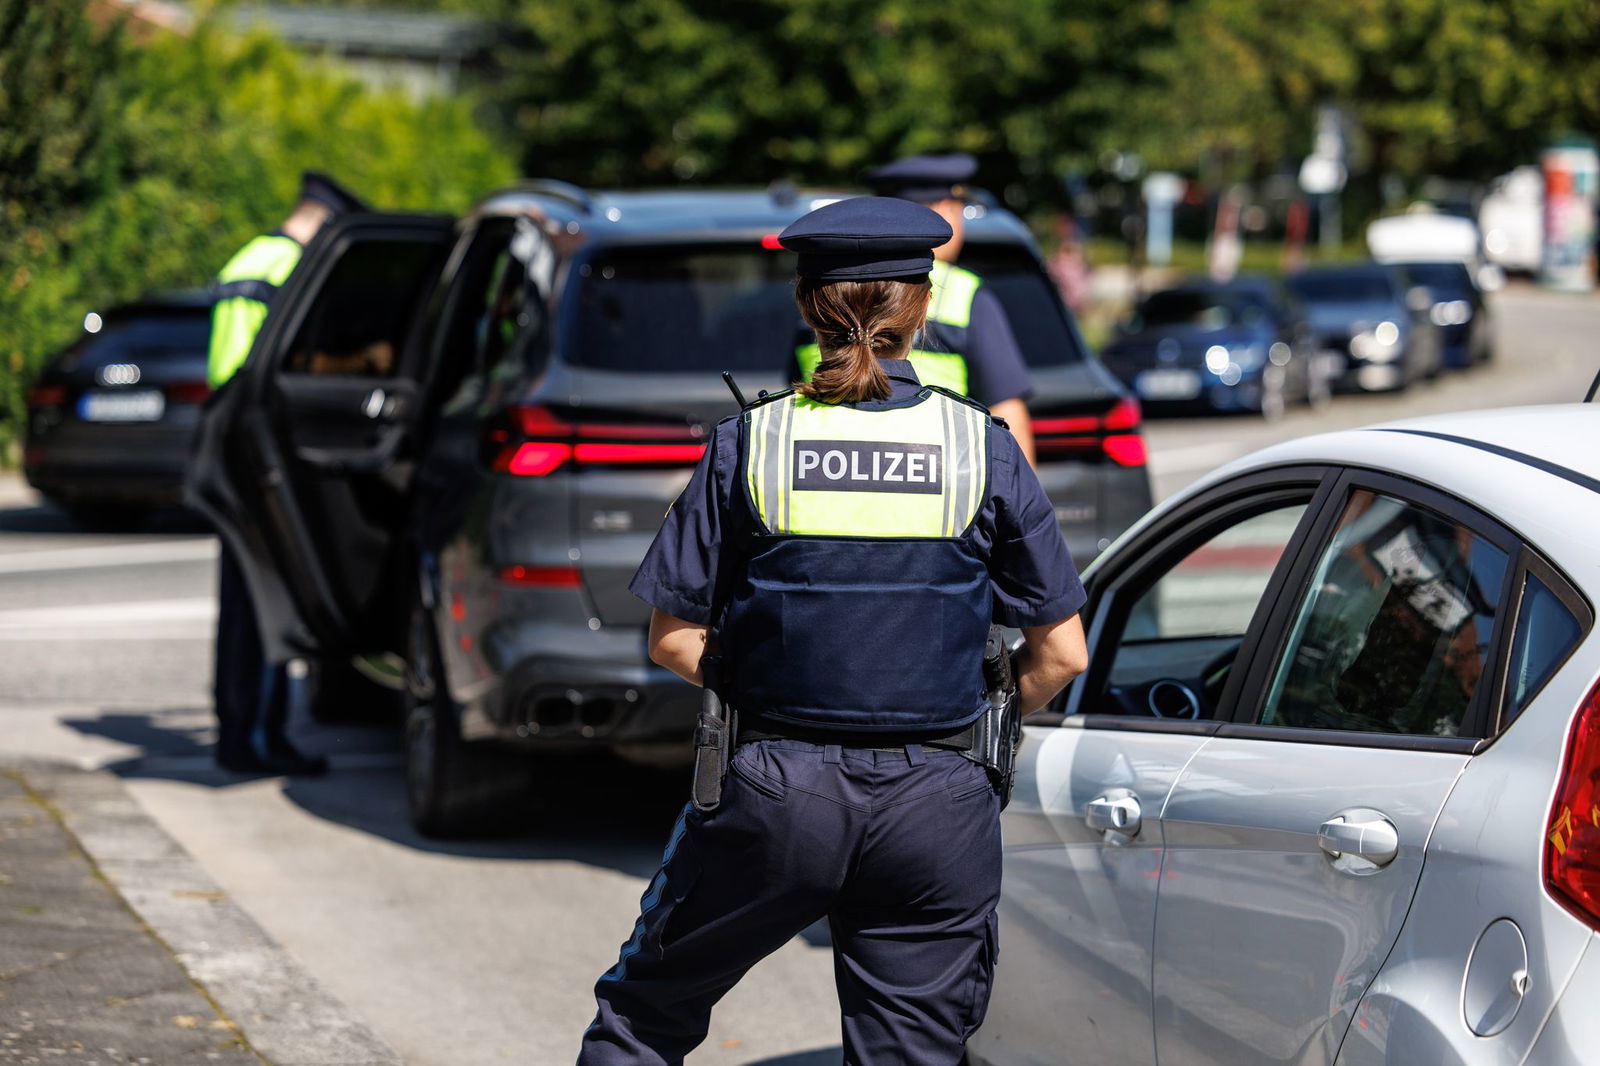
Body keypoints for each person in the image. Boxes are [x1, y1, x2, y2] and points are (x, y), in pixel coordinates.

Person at [578, 197, 1089, 1065]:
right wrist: (975, 723)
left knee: (645, 1017)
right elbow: (1062, 652)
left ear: (806, 307)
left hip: (776, 788)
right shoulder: (984, 448)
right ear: (922, 309)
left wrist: (778, 682)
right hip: (940, 802)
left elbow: (672, 638)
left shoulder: (752, 443)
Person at [207, 170, 367, 775]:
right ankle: (253, 739)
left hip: (233, 441)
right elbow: (281, 367)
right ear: (324, 222)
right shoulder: (287, 266)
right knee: (262, 605)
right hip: (257, 446)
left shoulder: (252, 255)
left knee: (246, 603)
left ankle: (247, 733)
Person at [792, 152, 1037, 464]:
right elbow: (1007, 409)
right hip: (943, 465)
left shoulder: (824, 284)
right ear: (945, 210)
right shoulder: (965, 292)